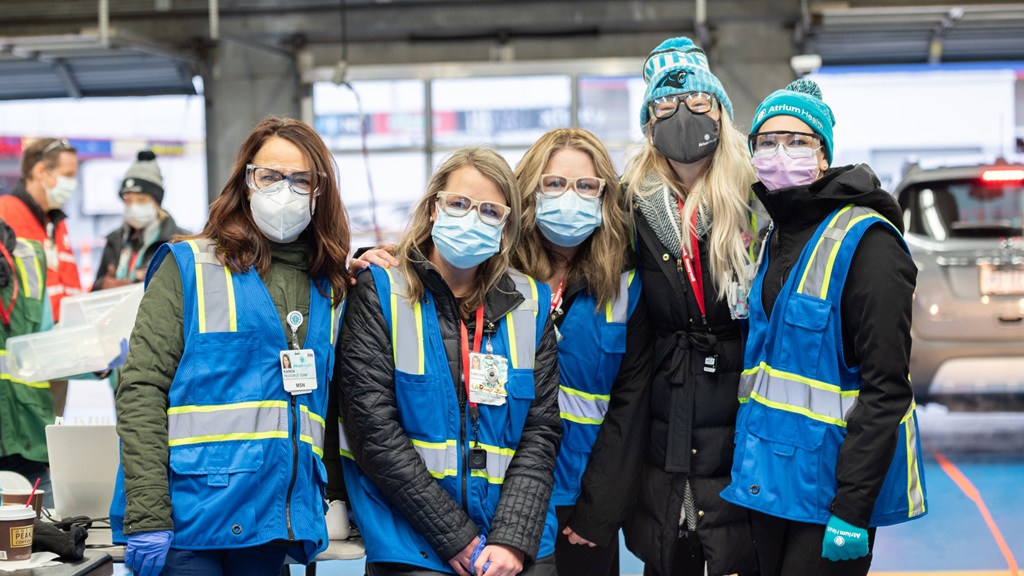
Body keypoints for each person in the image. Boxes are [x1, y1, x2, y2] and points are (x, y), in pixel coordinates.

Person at [109, 117, 351, 576]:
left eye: (303, 179)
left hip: (273, 524)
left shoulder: (331, 286)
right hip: (188, 525)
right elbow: (141, 388)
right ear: (246, 181)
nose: (286, 189)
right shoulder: (189, 267)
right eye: (270, 175)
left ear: (321, 191)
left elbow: (333, 404)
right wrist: (147, 512)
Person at [570, 37, 761, 576]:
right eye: (666, 104)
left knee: (738, 550)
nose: (683, 114)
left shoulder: (756, 195)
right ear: (648, 122)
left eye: (700, 102)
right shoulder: (629, 204)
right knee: (670, 549)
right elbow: (558, 256)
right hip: (664, 408)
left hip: (738, 404)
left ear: (721, 111)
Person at [721, 79, 927, 576]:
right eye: (766, 142)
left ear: (823, 155)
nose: (779, 152)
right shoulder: (777, 235)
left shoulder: (868, 243)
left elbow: (886, 390)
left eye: (797, 140)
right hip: (770, 485)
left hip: (829, 495)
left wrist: (853, 510)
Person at [336, 147, 561, 576]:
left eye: (490, 211)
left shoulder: (530, 302)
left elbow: (541, 432)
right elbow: (373, 431)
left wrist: (511, 541)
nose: (472, 218)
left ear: (506, 226)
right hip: (413, 542)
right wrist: (456, 537)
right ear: (434, 208)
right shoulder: (381, 290)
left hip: (516, 544)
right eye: (459, 204)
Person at [505, 128, 650, 576]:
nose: (571, 196)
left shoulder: (627, 285)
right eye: (554, 183)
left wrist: (601, 508)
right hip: (501, 494)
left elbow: (633, 406)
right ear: (529, 191)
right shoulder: (495, 272)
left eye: (586, 185)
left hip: (582, 504)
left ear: (605, 196)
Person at [0, 137, 83, 500]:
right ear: (40, 171)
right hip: (24, 370)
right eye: (67, 174)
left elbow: (67, 287)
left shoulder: (55, 223)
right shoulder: (7, 217)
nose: (72, 184)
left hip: (55, 364)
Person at [0, 218, 54, 503]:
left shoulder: (29, 257)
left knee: (54, 537)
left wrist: (94, 360)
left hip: (27, 440)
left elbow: (45, 343)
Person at [92, 150, 189, 291]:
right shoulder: (115, 240)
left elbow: (191, 291)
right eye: (127, 199)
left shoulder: (179, 241)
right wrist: (103, 285)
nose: (133, 206)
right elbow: (93, 293)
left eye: (141, 198)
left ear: (156, 200)